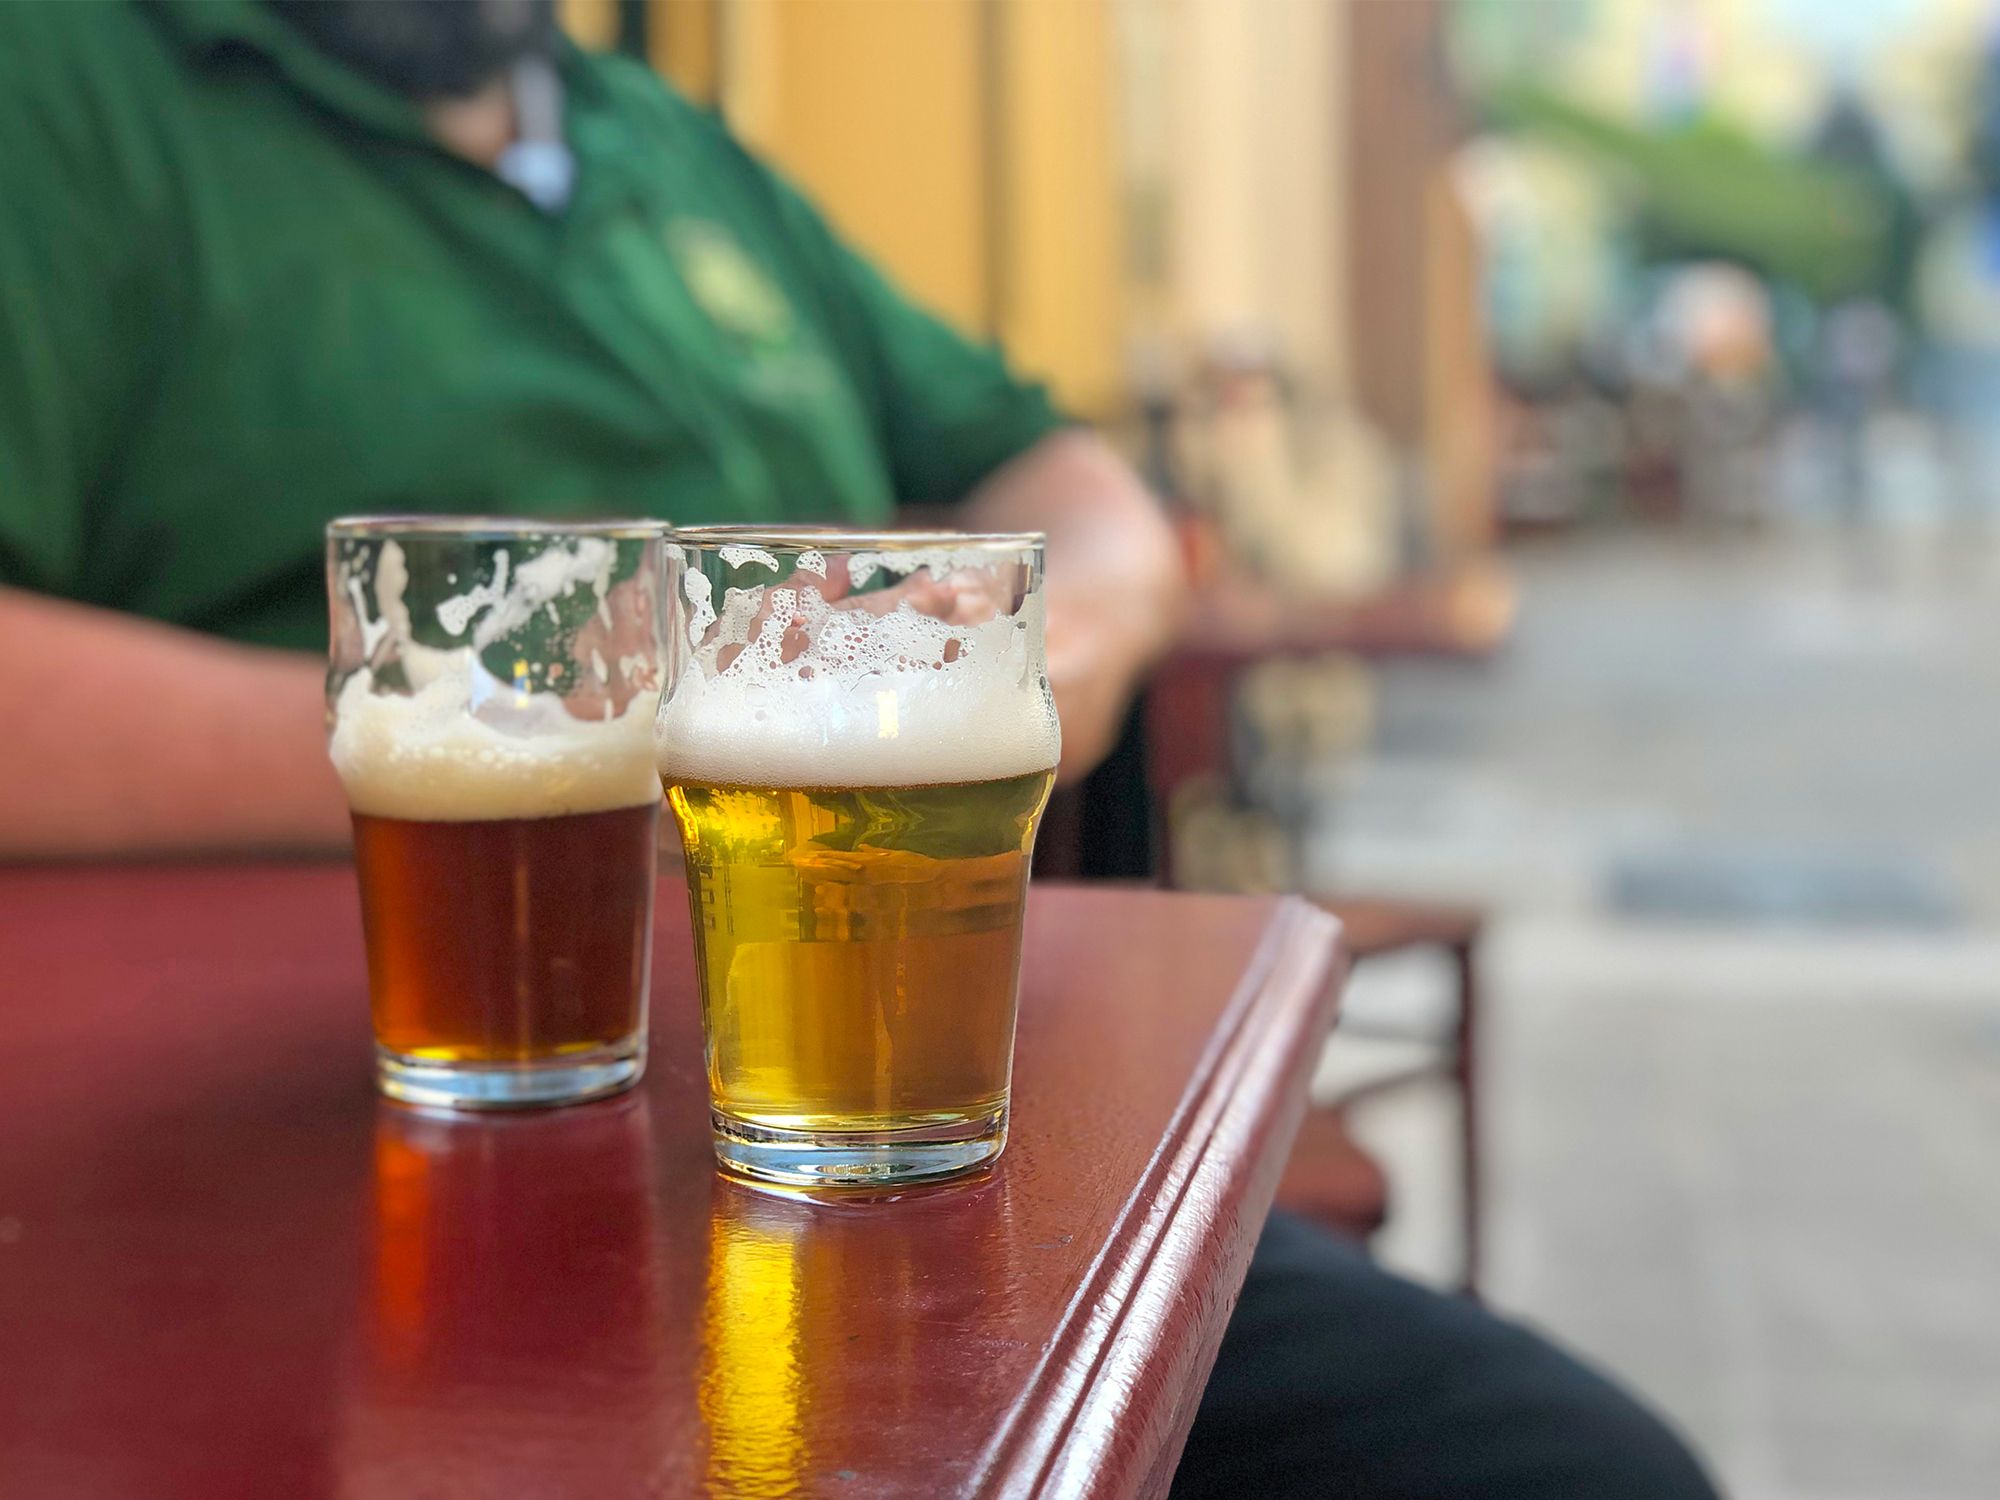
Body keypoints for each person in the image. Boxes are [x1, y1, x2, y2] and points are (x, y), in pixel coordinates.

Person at [0, 6, 1719, 1497]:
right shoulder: (70, 71)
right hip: (376, 1167)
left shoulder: (649, 133)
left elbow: (1055, 467)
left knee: (1578, 1471)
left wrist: (1051, 660)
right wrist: (523, 729)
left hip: (884, 1112)